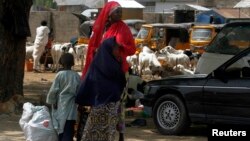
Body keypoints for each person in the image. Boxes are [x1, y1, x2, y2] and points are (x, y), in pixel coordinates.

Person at [76, 1, 136, 141]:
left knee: (118, 103)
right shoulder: (102, 29)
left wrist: (120, 48)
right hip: (102, 70)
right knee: (99, 102)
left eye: (121, 11)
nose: (119, 14)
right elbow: (94, 47)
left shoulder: (123, 28)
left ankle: (120, 134)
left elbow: (131, 49)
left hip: (117, 71)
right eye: (117, 11)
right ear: (109, 14)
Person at [46, 53, 81, 141]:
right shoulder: (76, 75)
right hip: (72, 105)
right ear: (73, 63)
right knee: (69, 127)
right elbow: (79, 90)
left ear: (61, 63)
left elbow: (53, 90)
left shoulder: (59, 75)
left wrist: (52, 102)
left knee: (60, 127)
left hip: (60, 104)